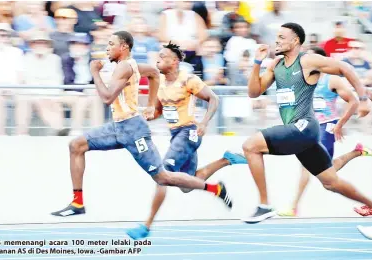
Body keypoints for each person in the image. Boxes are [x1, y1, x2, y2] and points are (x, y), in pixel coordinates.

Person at [51, 31, 233, 217]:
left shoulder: (125, 68)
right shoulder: (133, 66)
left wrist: (94, 73)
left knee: (163, 177)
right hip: (117, 127)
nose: (107, 47)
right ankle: (78, 202)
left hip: (133, 130)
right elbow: (154, 74)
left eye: (111, 44)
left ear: (123, 47)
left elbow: (106, 98)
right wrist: (151, 105)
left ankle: (214, 189)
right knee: (76, 145)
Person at [242, 22, 372, 223]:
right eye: (276, 36)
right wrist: (257, 63)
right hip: (298, 134)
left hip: (304, 127)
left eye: (282, 37)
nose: (277, 40)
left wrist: (362, 99)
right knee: (331, 182)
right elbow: (253, 92)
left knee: (250, 146)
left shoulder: (307, 60)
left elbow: (344, 67)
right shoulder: (276, 65)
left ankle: (264, 205)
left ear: (295, 41)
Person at [126, 42, 247, 240]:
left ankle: (146, 226)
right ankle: (225, 162)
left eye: (163, 56)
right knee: (187, 185)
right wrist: (148, 115)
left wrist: (204, 122)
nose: (157, 59)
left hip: (189, 133)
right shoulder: (159, 83)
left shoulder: (187, 80)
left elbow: (214, 99)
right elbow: (158, 111)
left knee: (162, 175)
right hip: (175, 135)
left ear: (174, 62)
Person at [278, 47, 371, 217]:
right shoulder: (303, 79)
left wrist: (339, 125)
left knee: (312, 169)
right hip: (308, 127)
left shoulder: (332, 80)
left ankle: (293, 207)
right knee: (326, 173)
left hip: (326, 126)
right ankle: (356, 152)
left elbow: (353, 102)